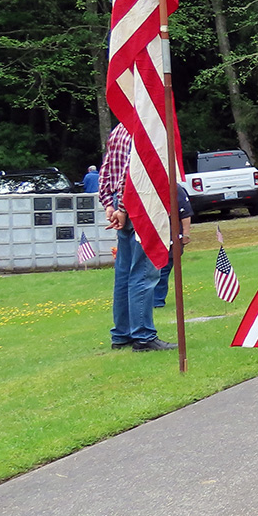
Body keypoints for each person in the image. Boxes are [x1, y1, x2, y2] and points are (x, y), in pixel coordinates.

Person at [97, 122, 175, 352]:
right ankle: (143, 336)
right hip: (141, 206)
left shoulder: (119, 128)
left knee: (124, 274)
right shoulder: (142, 124)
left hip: (125, 206)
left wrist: (109, 205)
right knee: (143, 272)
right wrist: (122, 207)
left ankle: (122, 334)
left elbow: (107, 169)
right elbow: (132, 172)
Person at [151, 186, 193, 308]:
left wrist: (185, 234)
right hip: (152, 236)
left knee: (163, 270)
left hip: (170, 237)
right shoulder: (146, 188)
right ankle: (147, 301)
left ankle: (157, 301)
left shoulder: (176, 189)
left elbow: (185, 213)